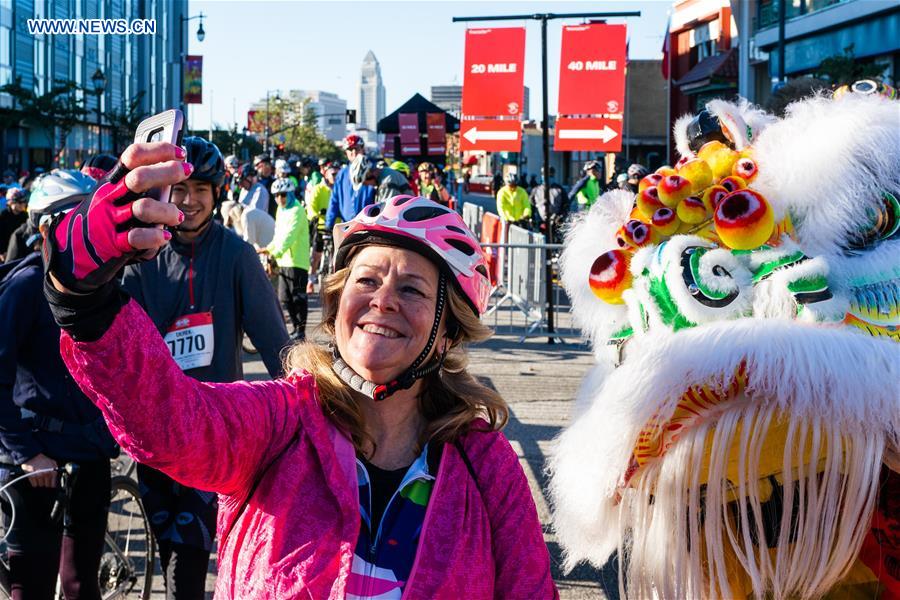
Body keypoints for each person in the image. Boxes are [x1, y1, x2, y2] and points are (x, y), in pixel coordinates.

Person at [42, 141, 559, 599]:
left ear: (447, 333)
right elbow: (173, 420)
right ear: (336, 307)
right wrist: (82, 297)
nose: (383, 301)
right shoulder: (282, 421)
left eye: (412, 289)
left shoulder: (485, 465)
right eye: (366, 280)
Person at [117, 137, 290, 599]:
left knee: (189, 562)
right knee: (170, 551)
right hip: (154, 430)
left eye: (201, 190)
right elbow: (118, 345)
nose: (190, 200)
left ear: (217, 194)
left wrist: (304, 411)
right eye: (180, 189)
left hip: (213, 432)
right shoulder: (142, 255)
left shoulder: (236, 255)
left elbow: (276, 345)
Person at [0, 170, 117, 600]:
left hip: (90, 453)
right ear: (49, 226)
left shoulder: (102, 283)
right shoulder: (25, 286)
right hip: (36, 464)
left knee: (80, 584)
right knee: (29, 587)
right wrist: (26, 453)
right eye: (78, 221)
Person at [257, 178, 310, 341]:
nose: (280, 198)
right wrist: (268, 248)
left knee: (298, 298)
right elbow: (278, 236)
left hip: (297, 261)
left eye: (283, 195)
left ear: (290, 194)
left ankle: (301, 331)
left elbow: (289, 236)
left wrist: (275, 252)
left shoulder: (297, 210)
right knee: (285, 299)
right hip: (283, 261)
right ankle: (295, 328)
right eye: (277, 195)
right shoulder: (281, 210)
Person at [325, 134, 375, 230]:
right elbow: (334, 200)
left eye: (356, 148)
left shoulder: (372, 170)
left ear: (362, 149)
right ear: (346, 152)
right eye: (350, 149)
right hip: (347, 226)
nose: (354, 152)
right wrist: (329, 223)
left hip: (369, 225)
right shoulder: (342, 174)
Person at [307, 161, 338, 294]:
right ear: (326, 174)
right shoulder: (318, 189)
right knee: (316, 255)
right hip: (320, 226)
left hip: (336, 226)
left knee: (337, 256)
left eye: (337, 173)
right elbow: (311, 206)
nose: (335, 176)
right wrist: (315, 216)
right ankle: (310, 280)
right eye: (333, 174)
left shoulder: (339, 189)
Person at [530, 167, 569, 244]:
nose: (548, 177)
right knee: (541, 243)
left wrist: (560, 217)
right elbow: (531, 206)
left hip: (555, 223)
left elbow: (566, 205)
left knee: (556, 243)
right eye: (545, 175)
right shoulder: (536, 190)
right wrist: (532, 218)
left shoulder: (559, 189)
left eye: (550, 175)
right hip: (541, 223)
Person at [0, 188, 27, 262]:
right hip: (6, 252)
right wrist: (1, 252)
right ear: (11, 203)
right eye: (20, 202)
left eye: (24, 201)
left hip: (21, 250)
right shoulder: (3, 216)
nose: (23, 204)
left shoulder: (24, 215)